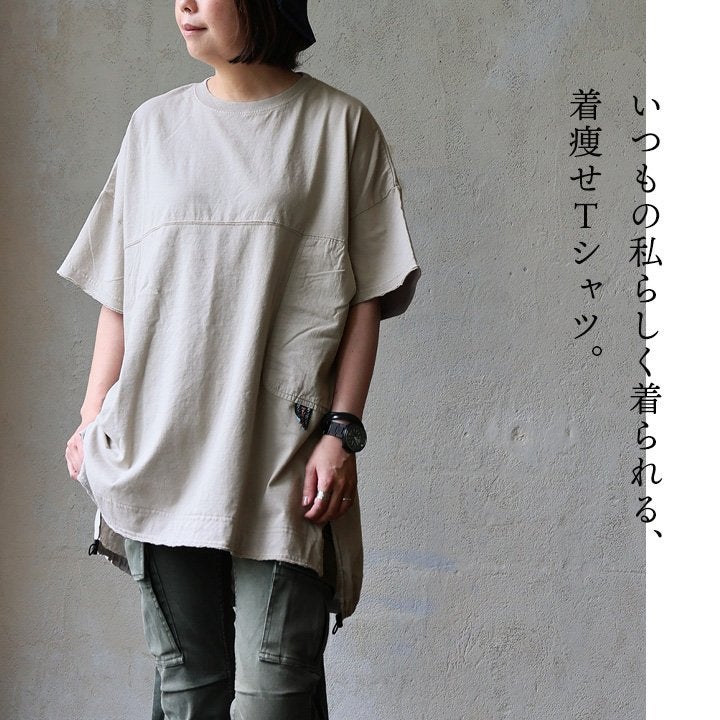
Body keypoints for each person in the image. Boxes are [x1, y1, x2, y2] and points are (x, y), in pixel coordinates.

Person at [59, 1, 420, 718]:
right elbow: (120, 289)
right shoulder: (153, 127)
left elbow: (367, 296)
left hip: (284, 452)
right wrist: (92, 413)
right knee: (189, 689)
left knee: (274, 696)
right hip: (159, 443)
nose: (185, 4)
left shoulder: (339, 126)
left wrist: (341, 432)